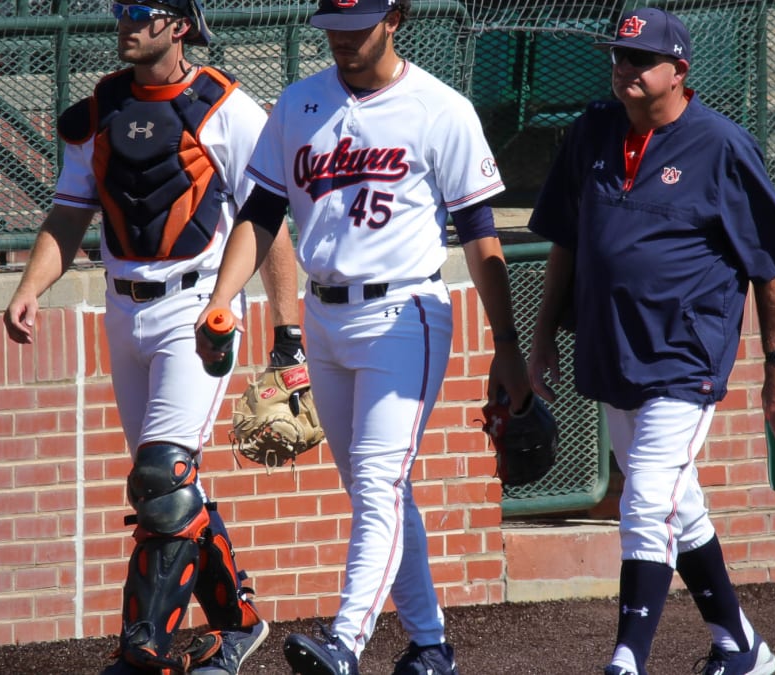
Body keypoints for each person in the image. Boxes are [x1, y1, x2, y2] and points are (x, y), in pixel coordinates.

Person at [194, 1, 531, 673]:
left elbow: (479, 234)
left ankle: (346, 640)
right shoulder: (299, 104)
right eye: (334, 25)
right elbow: (261, 212)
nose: (344, 37)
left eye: (361, 22)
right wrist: (221, 298)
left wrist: (508, 345)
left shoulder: (441, 108)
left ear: (397, 16)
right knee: (378, 488)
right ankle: (431, 643)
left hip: (405, 313)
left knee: (378, 480)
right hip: (325, 317)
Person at [2, 1, 303, 673]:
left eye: (142, 9)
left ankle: (142, 648)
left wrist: (289, 337)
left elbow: (270, 217)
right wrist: (29, 287)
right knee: (165, 491)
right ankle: (238, 623)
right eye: (120, 9)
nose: (126, 21)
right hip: (122, 307)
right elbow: (70, 210)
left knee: (163, 476)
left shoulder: (223, 106)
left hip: (197, 309)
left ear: (181, 23)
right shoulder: (100, 109)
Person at [526, 8, 775, 675]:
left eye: (639, 59)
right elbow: (564, 240)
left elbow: (769, 268)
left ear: (679, 71)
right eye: (618, 57)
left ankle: (627, 658)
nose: (623, 68)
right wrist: (541, 337)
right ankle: (742, 647)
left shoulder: (721, 145)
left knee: (646, 499)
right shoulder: (593, 130)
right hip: (611, 349)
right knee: (678, 507)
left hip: (686, 355)